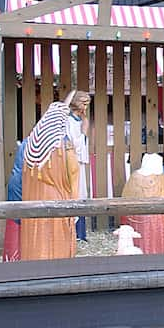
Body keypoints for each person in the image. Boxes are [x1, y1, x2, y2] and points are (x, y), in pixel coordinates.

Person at [20, 102, 80, 261]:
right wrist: (75, 205)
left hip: (32, 202)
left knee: (35, 242)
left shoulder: (32, 144)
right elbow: (73, 176)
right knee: (56, 245)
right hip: (58, 202)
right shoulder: (64, 147)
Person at [121, 153, 164, 254]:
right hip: (158, 219)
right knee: (156, 244)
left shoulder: (133, 177)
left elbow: (125, 201)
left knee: (137, 243)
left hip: (135, 217)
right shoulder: (163, 180)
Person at [65, 90, 91, 241]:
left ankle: (81, 233)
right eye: (83, 102)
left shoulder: (79, 120)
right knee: (73, 193)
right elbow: (73, 144)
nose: (86, 106)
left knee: (81, 194)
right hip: (71, 162)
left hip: (78, 163)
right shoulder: (68, 121)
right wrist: (84, 130)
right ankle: (73, 234)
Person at [2, 138, 26, 262]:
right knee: (17, 224)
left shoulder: (27, 142)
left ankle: (11, 260)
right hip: (22, 186)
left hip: (17, 184)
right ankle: (13, 260)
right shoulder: (34, 145)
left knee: (14, 224)